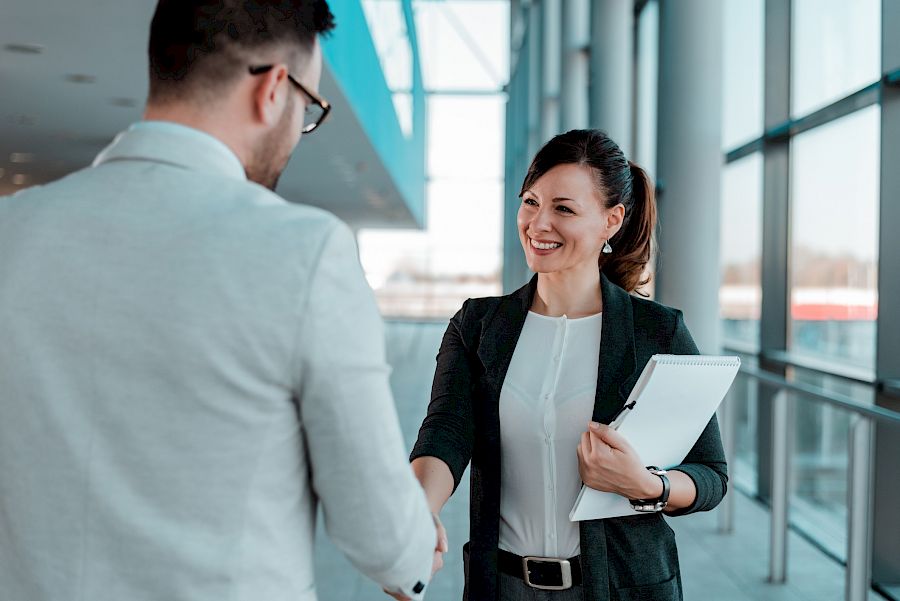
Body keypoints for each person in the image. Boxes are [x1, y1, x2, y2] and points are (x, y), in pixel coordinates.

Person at [0, 2, 437, 600]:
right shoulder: (304, 253)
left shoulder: (12, 230)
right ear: (274, 90)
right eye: (308, 107)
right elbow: (382, 536)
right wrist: (415, 544)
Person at [408, 129, 728, 601]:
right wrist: (418, 514)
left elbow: (710, 475)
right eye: (531, 202)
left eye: (564, 209)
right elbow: (446, 433)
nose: (538, 223)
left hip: (622, 589)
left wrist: (646, 485)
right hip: (502, 588)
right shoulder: (478, 324)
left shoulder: (656, 332)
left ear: (611, 221)